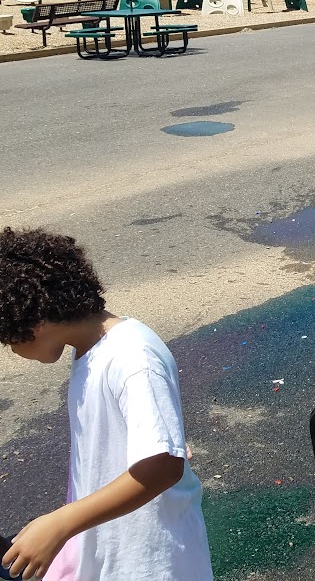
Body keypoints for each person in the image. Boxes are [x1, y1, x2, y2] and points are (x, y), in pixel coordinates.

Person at [0, 227, 212, 581]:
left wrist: (61, 524)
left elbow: (163, 466)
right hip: (114, 550)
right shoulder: (91, 351)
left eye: (8, 340)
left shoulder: (132, 357)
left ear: (34, 323)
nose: (13, 351)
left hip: (150, 563)